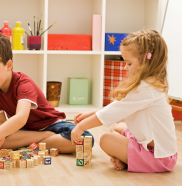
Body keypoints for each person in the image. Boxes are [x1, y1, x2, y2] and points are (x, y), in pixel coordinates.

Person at [0, 33, 94, 156]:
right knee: (0, 142)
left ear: (8, 65)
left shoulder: (23, 83)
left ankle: (39, 140)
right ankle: (45, 138)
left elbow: (21, 118)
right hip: (25, 130)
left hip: (51, 124)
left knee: (86, 140)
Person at [71, 29, 178, 172]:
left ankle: (130, 160)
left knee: (106, 139)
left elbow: (114, 111)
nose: (124, 67)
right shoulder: (150, 84)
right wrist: (92, 114)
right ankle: (128, 159)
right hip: (160, 149)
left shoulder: (145, 89)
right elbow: (119, 108)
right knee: (116, 127)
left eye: (128, 63)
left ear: (147, 61)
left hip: (159, 157)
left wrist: (81, 126)